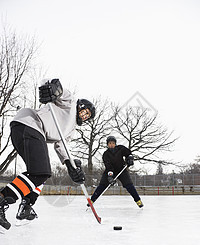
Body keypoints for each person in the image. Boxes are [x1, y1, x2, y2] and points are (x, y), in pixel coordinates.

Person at [0, 79, 95, 231]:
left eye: (87, 116)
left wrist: (71, 166)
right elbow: (54, 86)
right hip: (30, 124)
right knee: (42, 172)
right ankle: (2, 199)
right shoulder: (70, 102)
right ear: (81, 106)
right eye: (85, 111)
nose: (84, 115)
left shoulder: (70, 131)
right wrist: (53, 88)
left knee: (40, 174)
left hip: (24, 130)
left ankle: (27, 205)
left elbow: (61, 146)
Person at [89, 136, 144, 208]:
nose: (111, 144)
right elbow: (108, 166)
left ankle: (138, 201)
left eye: (113, 143)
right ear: (107, 144)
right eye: (110, 143)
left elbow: (128, 153)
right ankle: (92, 201)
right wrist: (110, 176)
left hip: (121, 170)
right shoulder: (106, 154)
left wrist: (129, 158)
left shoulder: (120, 148)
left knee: (129, 185)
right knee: (102, 186)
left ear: (115, 144)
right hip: (110, 171)